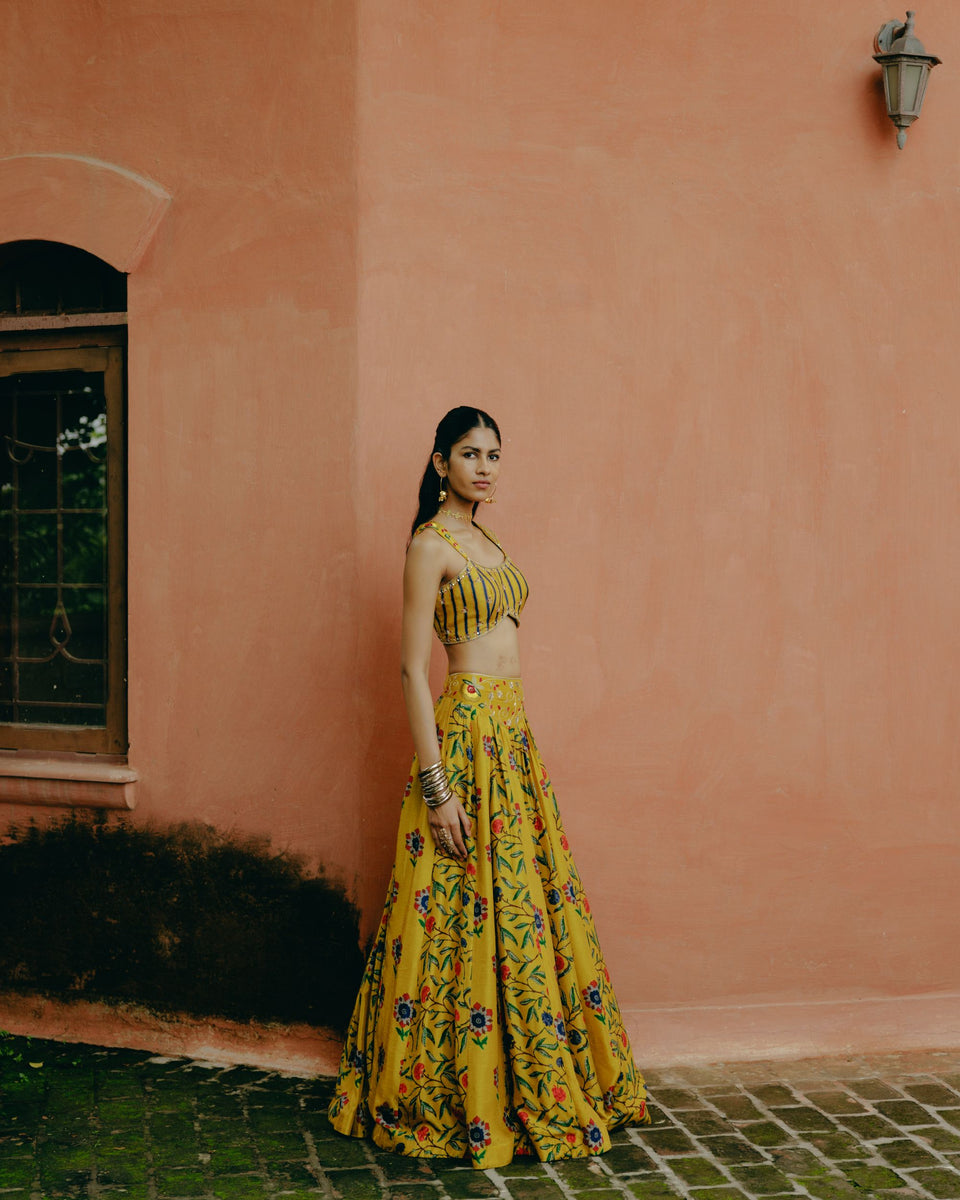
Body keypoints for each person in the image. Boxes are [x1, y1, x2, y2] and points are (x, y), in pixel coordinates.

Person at [328, 407, 650, 1167]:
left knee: (525, 903)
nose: (484, 467)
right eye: (470, 454)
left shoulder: (490, 542)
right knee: (455, 909)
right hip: (466, 736)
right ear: (440, 462)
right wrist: (437, 786)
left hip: (512, 738)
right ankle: (452, 1088)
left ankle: (529, 1070)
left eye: (494, 455)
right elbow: (411, 670)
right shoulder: (429, 546)